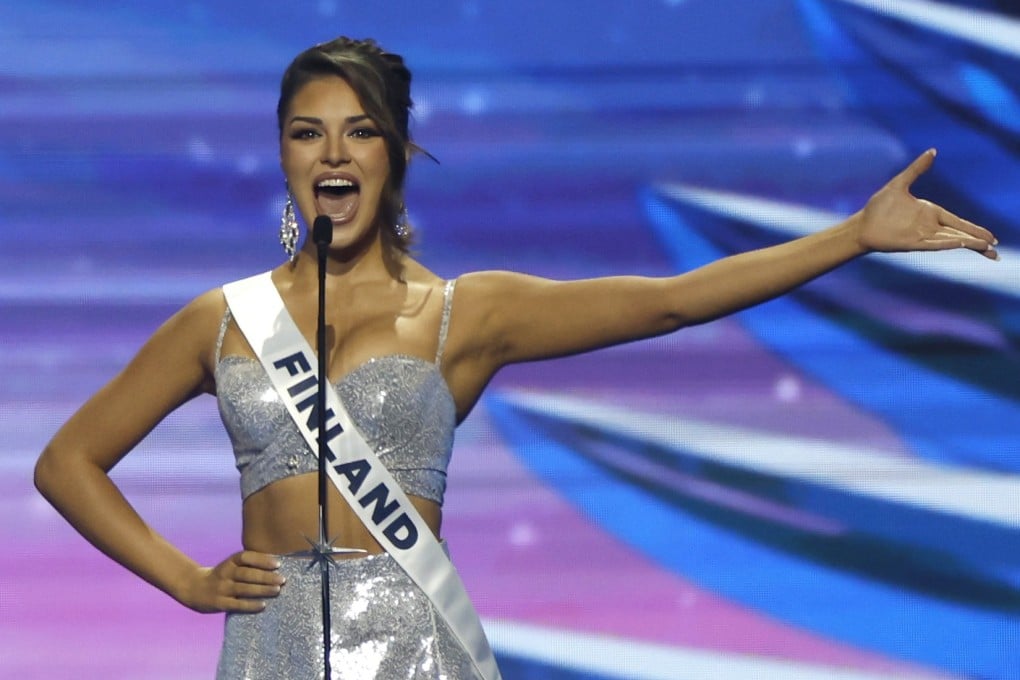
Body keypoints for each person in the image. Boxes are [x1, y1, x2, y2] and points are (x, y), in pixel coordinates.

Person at [34, 36, 999, 680]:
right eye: (307, 132)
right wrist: (185, 579)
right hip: (271, 642)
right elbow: (67, 462)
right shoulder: (223, 319)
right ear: (286, 157)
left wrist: (852, 236)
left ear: (398, 152)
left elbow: (670, 302)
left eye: (360, 130)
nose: (334, 152)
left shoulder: (467, 312)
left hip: (418, 640)